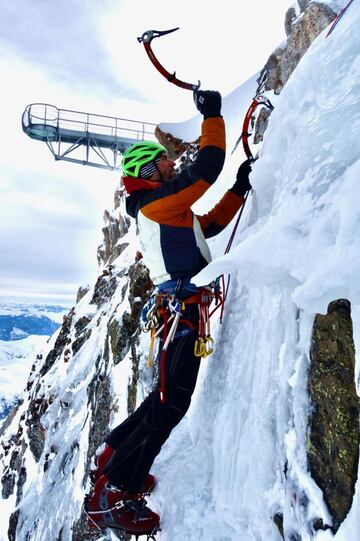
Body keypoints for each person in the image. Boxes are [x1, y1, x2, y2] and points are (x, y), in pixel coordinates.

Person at [86, 90, 252, 536]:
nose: (170, 165)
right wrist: (213, 116)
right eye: (162, 163)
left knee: (164, 399)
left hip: (180, 311)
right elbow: (206, 167)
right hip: (182, 312)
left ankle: (113, 458)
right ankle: (115, 490)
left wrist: (238, 191)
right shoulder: (158, 203)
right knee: (171, 402)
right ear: (146, 170)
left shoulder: (164, 209)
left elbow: (207, 227)